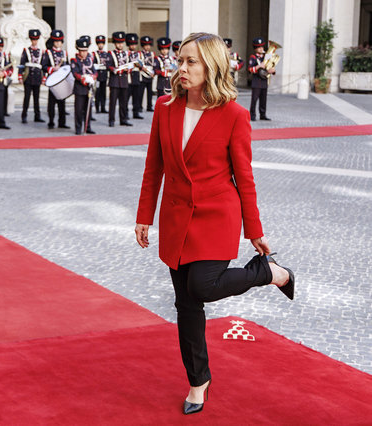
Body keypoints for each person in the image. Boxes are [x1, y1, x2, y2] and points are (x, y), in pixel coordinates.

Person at [134, 32, 295, 416]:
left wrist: (254, 230)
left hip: (216, 216)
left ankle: (268, 273)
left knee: (203, 286)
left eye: (192, 62)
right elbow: (153, 166)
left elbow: (245, 176)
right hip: (176, 218)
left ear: (212, 66)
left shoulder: (234, 116)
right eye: (180, 60)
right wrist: (144, 217)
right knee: (186, 305)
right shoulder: (165, 108)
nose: (182, 68)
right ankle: (198, 382)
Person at [43, 29, 70, 130]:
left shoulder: (64, 53)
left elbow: (67, 66)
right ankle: (51, 121)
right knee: (51, 103)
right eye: (56, 41)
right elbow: (43, 66)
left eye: (60, 41)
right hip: (52, 81)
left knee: (62, 102)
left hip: (61, 81)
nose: (58, 43)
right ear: (53, 42)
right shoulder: (48, 53)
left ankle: (62, 122)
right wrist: (52, 69)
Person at [70, 37, 97, 135]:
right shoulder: (74, 60)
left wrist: (93, 77)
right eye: (82, 51)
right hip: (79, 88)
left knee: (88, 109)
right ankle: (78, 127)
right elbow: (75, 73)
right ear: (78, 50)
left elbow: (94, 71)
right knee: (78, 109)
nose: (84, 53)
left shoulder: (89, 60)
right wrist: (83, 79)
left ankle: (87, 126)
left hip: (88, 89)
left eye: (85, 51)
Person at [19, 29, 45, 124]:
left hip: (37, 77)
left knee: (36, 98)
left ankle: (37, 116)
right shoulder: (26, 50)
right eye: (33, 40)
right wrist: (20, 76)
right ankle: (24, 115)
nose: (34, 41)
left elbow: (43, 65)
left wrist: (44, 77)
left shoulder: (41, 51)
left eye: (36, 40)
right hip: (28, 77)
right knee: (26, 97)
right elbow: (22, 63)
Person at [106, 31, 132, 127]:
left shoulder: (127, 53)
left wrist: (129, 69)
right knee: (113, 102)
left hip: (124, 81)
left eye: (121, 43)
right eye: (118, 43)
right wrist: (115, 70)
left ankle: (123, 119)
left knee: (124, 102)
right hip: (115, 81)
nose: (120, 45)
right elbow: (108, 65)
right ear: (115, 43)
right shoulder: (110, 54)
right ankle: (111, 120)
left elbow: (130, 64)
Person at [248, 37, 274, 121]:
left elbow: (269, 66)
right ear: (255, 48)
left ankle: (263, 114)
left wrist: (272, 70)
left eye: (262, 47)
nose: (261, 49)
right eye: (259, 47)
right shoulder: (253, 57)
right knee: (254, 99)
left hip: (264, 81)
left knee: (263, 100)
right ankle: (252, 115)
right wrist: (259, 66)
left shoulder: (266, 57)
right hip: (256, 81)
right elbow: (250, 69)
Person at [125, 33, 143, 119]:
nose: (133, 46)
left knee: (137, 96)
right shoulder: (126, 53)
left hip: (136, 76)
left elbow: (142, 65)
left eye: (134, 44)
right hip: (129, 76)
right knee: (126, 97)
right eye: (131, 44)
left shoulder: (139, 54)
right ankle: (125, 114)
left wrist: (140, 65)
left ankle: (136, 112)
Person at [139, 35, 156, 112]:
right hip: (143, 74)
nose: (147, 47)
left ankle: (149, 106)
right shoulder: (140, 54)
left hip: (150, 74)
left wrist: (154, 72)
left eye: (149, 45)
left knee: (150, 92)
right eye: (146, 45)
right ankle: (139, 106)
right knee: (141, 92)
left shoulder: (152, 54)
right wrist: (141, 67)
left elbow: (155, 64)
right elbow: (138, 63)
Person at [93, 35, 109, 114]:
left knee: (103, 92)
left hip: (104, 75)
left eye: (102, 43)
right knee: (97, 92)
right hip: (98, 75)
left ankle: (103, 107)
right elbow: (93, 65)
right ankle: (97, 108)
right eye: (99, 43)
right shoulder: (94, 54)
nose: (101, 45)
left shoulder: (106, 54)